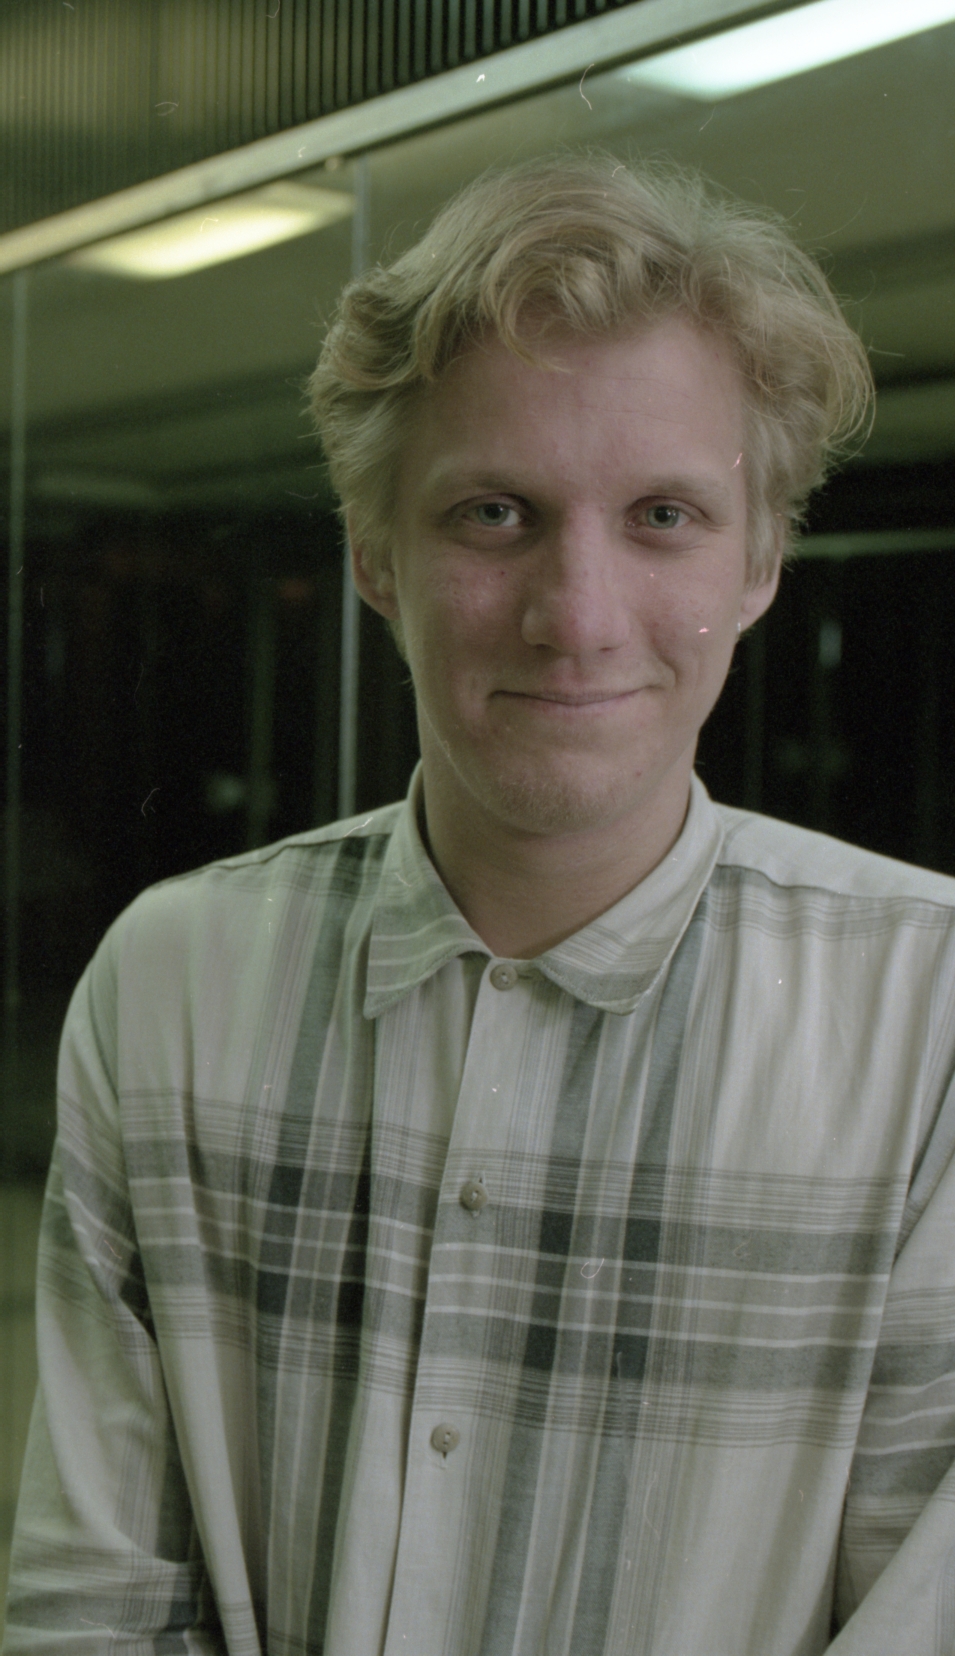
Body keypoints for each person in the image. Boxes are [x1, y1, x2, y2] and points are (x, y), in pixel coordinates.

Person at [5, 156, 955, 1656]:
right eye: (495, 512)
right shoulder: (172, 983)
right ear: (375, 555)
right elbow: (95, 1605)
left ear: (764, 560)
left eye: (664, 516)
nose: (577, 617)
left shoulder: (932, 1020)